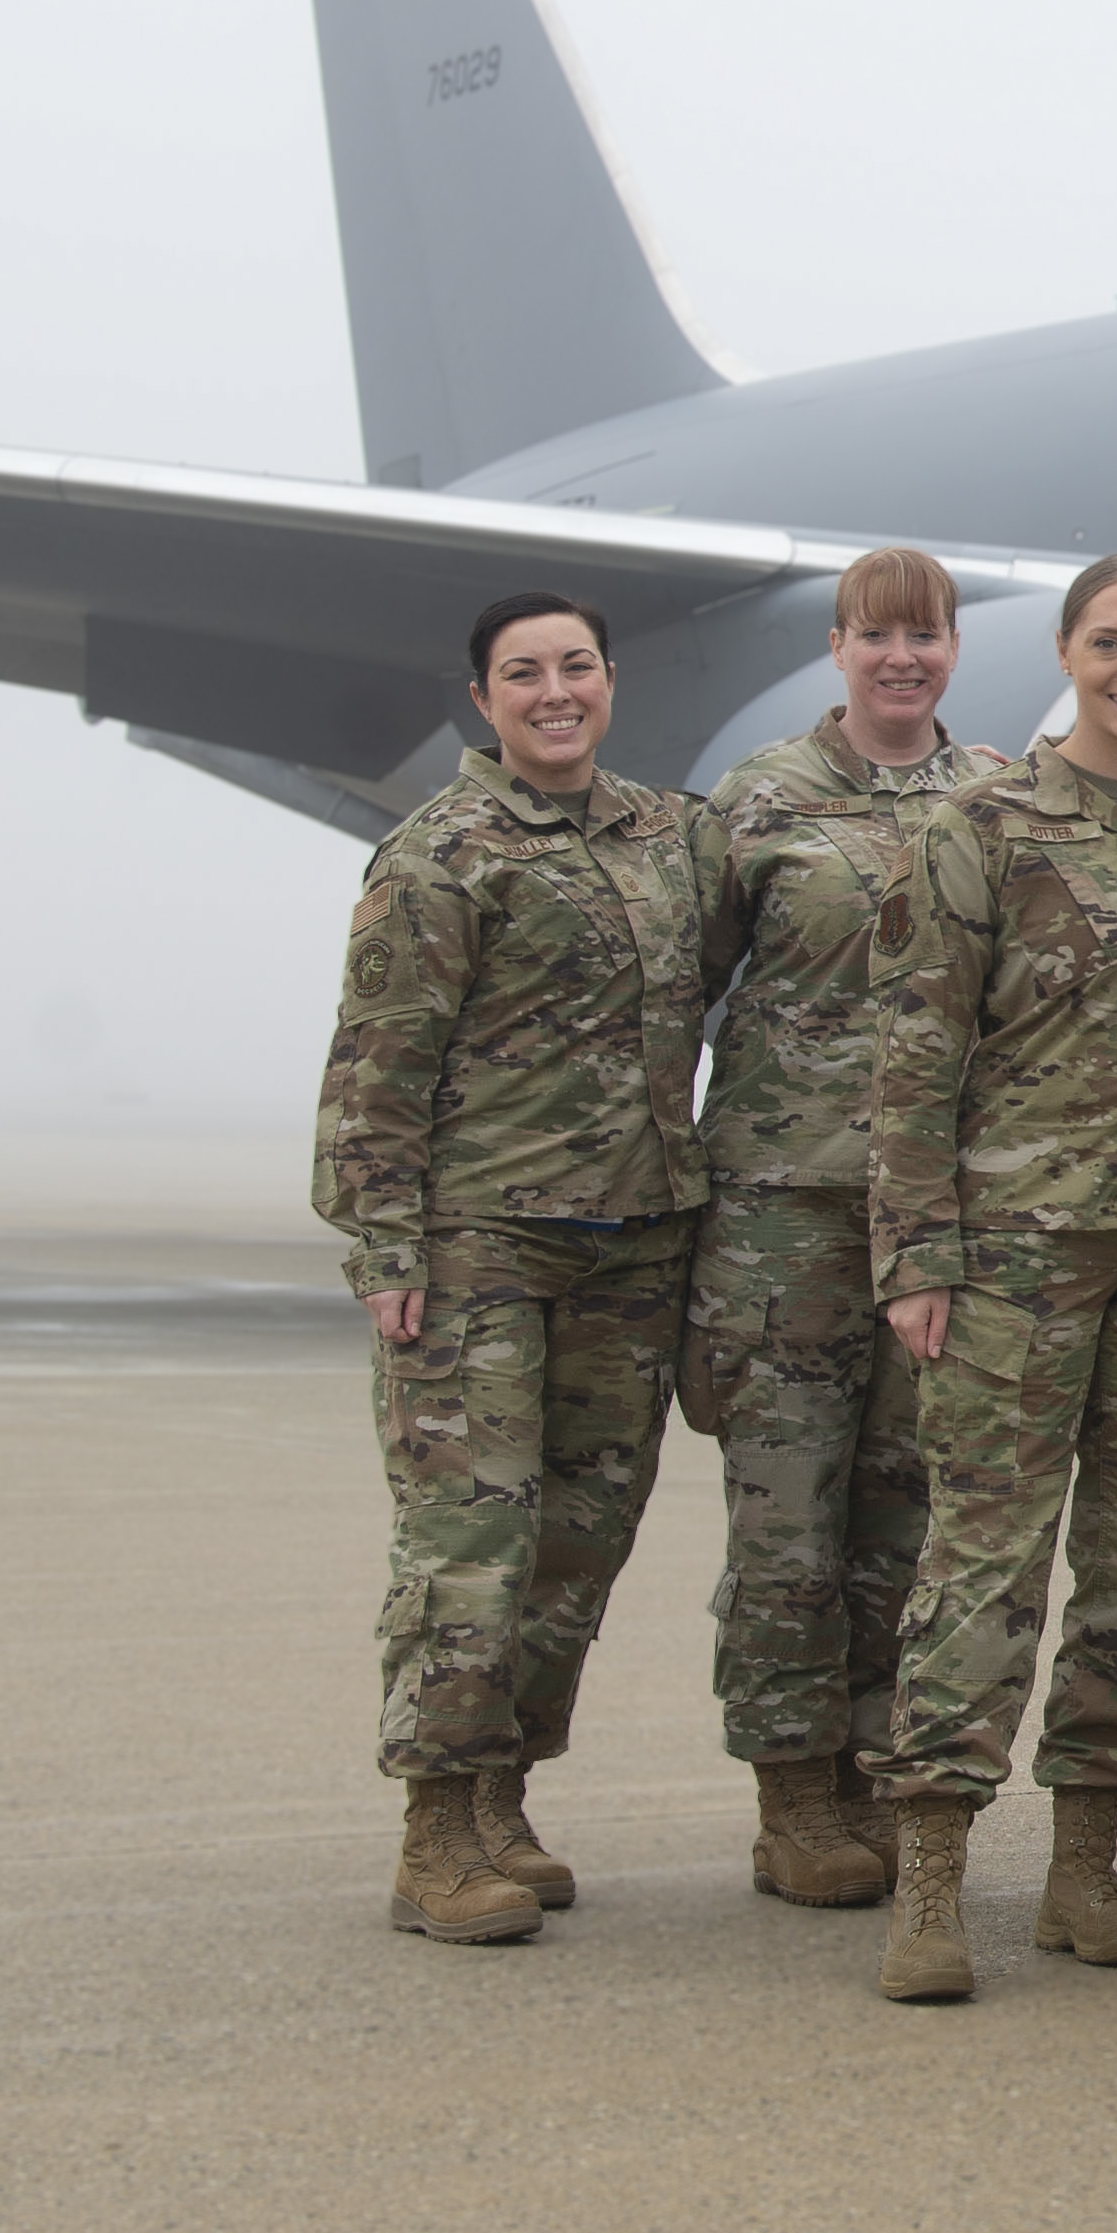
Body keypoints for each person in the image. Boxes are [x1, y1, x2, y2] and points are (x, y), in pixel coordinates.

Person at [859, 554, 1117, 2003]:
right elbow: (918, 1052)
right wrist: (914, 1256)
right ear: (1064, 651)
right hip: (1015, 1253)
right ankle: (931, 1880)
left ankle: (1087, 1865)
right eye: (1110, 644)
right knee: (979, 1568)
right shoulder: (980, 821)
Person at [313, 591, 731, 1944]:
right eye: (524, 673)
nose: (556, 691)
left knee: (576, 1546)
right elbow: (377, 1066)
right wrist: (384, 1242)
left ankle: (503, 1796)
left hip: (637, 1241)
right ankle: (433, 1831)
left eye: (578, 667)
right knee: (470, 1544)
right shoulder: (440, 854)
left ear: (611, 682)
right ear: (484, 699)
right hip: (479, 1243)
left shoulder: (670, 838)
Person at [687, 547, 1001, 1911]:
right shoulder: (760, 800)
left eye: (923, 636)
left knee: (907, 1517)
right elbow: (676, 994)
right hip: (783, 1223)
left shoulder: (994, 801)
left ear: (950, 650)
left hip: (929, 1222)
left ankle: (881, 1768)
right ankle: (793, 1794)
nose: (901, 660)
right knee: (786, 1523)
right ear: (835, 648)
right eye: (875, 637)